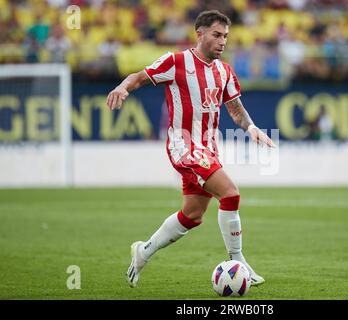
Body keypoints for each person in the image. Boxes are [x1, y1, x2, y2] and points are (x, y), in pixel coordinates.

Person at [106, 10, 276, 288]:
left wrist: (253, 128)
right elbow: (139, 77)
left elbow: (235, 110)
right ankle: (238, 261)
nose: (223, 42)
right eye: (217, 35)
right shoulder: (177, 61)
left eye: (226, 37)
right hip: (183, 145)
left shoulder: (225, 71)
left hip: (208, 149)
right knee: (230, 194)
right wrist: (123, 87)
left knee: (193, 215)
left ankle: (143, 251)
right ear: (200, 34)